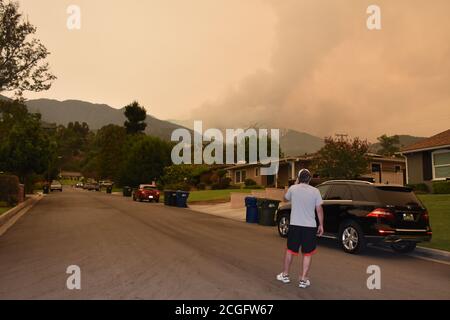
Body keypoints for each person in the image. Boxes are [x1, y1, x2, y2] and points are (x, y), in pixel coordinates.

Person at [276, 169, 324, 289]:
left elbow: (284, 198)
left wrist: (295, 184)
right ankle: (303, 279)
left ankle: (285, 275)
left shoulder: (293, 188)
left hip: (295, 225)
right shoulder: (315, 191)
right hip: (310, 227)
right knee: (307, 254)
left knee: (290, 251)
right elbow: (319, 210)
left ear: (298, 178)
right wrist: (321, 225)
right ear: (309, 179)